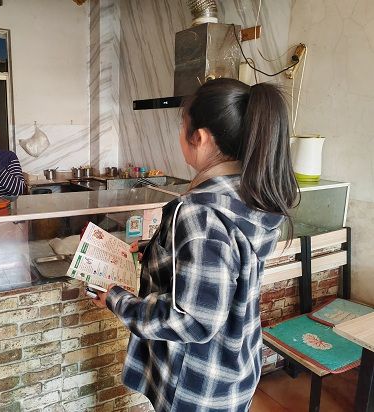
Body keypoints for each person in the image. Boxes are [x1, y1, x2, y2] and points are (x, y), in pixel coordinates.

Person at [93, 78, 298, 411]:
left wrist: (118, 300)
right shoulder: (252, 193)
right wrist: (157, 250)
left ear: (199, 137)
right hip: (234, 368)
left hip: (198, 385)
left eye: (182, 127)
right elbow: (221, 267)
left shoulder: (200, 211)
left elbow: (193, 319)